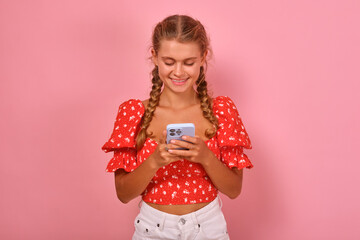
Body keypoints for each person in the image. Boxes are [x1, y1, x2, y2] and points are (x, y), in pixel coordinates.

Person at [101, 14, 253, 240]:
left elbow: (233, 190)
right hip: (153, 229)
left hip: (208, 227)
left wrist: (205, 156)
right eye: (169, 62)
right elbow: (123, 194)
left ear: (203, 57)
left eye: (189, 62)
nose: (179, 72)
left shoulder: (222, 110)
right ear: (155, 57)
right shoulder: (134, 113)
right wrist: (155, 161)